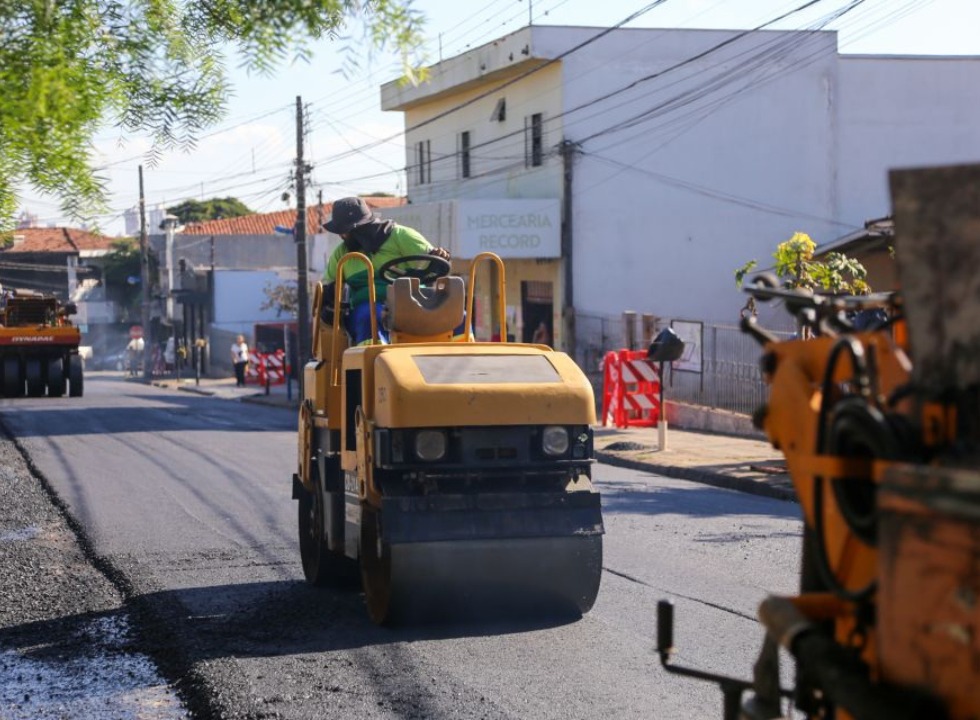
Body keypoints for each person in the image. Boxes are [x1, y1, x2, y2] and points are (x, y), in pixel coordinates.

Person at [321, 197, 451, 345]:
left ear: (361, 228)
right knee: (370, 316)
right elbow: (327, 285)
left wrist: (440, 256)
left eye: (344, 232)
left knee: (457, 315)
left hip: (414, 303)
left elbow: (434, 261)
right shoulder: (342, 254)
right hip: (368, 308)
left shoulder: (401, 236)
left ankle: (465, 359)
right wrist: (330, 292)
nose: (341, 236)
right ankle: (373, 362)